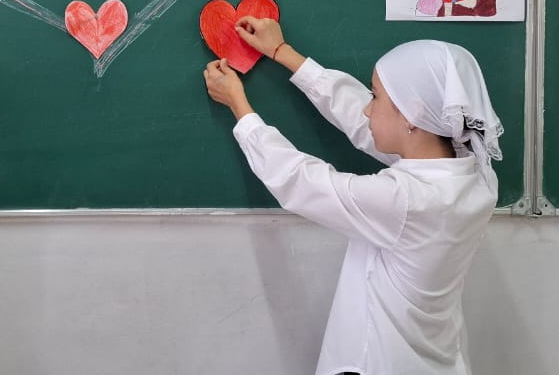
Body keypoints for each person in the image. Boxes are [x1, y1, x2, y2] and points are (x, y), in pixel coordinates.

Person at [202, 19, 502, 375]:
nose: (367, 108)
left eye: (375, 96)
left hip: (378, 364)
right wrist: (283, 53)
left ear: (414, 115)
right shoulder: (474, 175)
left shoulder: (405, 200)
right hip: (435, 360)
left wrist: (239, 107)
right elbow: (367, 124)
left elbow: (301, 181)